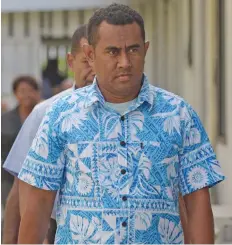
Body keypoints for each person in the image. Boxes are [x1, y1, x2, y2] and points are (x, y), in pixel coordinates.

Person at [17, 3, 225, 244]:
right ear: (90, 55)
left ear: (146, 50)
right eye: (113, 51)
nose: (125, 62)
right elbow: (40, 201)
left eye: (133, 50)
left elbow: (197, 200)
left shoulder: (179, 115)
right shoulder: (61, 115)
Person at [2, 24, 94, 244]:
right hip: (55, 230)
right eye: (86, 61)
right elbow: (20, 187)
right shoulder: (46, 113)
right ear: (71, 62)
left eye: (99, 61)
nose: (94, 69)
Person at [1, 76, 40, 210]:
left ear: (36, 93)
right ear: (15, 94)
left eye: (30, 90)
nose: (26, 95)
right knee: (11, 212)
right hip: (9, 178)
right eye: (22, 91)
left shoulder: (43, 116)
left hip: (37, 178)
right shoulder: (5, 120)